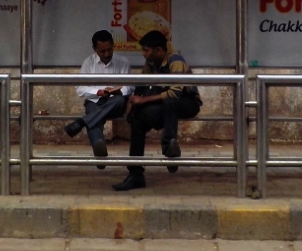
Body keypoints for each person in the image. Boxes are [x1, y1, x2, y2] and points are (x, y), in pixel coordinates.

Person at [112, 30, 201, 192]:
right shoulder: (151, 63)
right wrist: (135, 104)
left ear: (159, 50)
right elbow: (142, 83)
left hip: (187, 102)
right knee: (138, 121)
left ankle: (169, 150)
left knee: (170, 103)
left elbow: (175, 92)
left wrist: (144, 100)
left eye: (146, 50)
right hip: (166, 106)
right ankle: (136, 174)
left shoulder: (176, 61)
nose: (143, 54)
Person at [66, 29, 132, 167]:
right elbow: (80, 88)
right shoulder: (88, 63)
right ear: (94, 49)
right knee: (94, 116)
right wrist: (98, 92)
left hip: (115, 101)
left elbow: (130, 86)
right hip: (95, 100)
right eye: (102, 51)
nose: (106, 54)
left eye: (109, 50)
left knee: (118, 101)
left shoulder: (123, 62)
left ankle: (82, 122)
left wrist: (118, 91)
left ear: (113, 45)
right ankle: (99, 146)